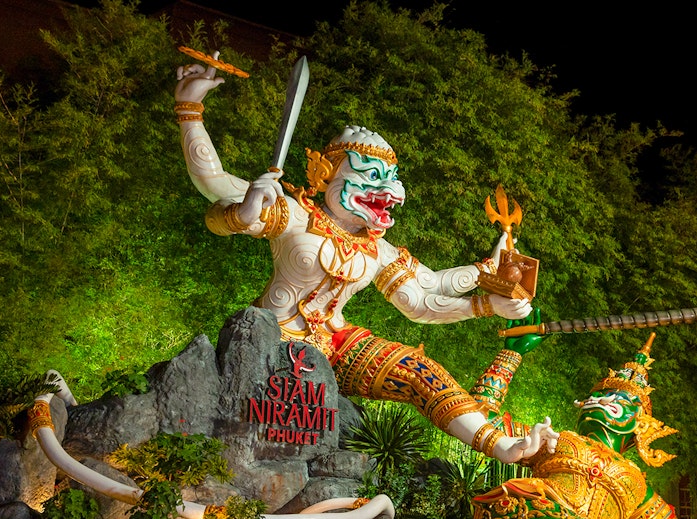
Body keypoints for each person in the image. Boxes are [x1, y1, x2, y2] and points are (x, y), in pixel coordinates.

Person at [173, 54, 557, 463]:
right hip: (269, 340)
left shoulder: (376, 247)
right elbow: (213, 183)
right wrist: (190, 111)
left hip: (335, 347)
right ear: (324, 176)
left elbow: (425, 297)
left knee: (419, 370)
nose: (389, 190)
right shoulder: (294, 214)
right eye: (371, 177)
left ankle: (500, 446)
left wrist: (487, 293)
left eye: (391, 180)